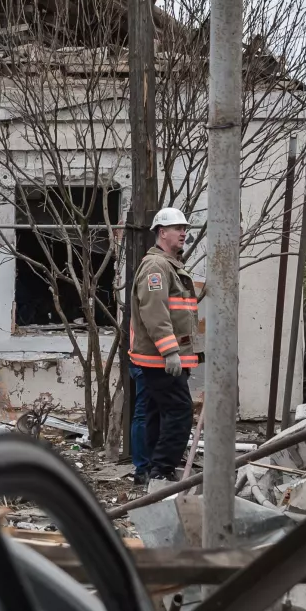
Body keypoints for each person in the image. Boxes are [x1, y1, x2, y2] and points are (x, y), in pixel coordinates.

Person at [129, 206, 201, 483]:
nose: (184, 233)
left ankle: (151, 471)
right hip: (161, 359)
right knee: (179, 411)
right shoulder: (157, 267)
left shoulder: (168, 265)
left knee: (158, 414)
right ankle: (162, 469)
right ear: (162, 233)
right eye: (178, 229)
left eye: (185, 228)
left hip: (164, 358)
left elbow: (176, 310)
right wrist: (170, 351)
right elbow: (155, 313)